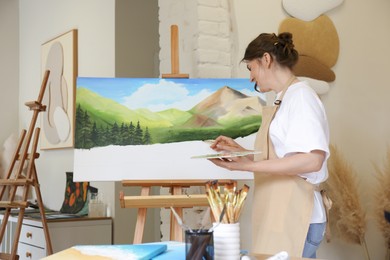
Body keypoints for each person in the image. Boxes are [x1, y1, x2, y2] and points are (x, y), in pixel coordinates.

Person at [208, 32, 330, 259]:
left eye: (250, 68)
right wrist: (240, 152)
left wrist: (245, 166)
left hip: (296, 213)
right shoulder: (284, 98)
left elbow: (313, 160)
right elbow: (284, 156)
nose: (251, 77)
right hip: (280, 211)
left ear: (266, 60)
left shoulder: (301, 97)